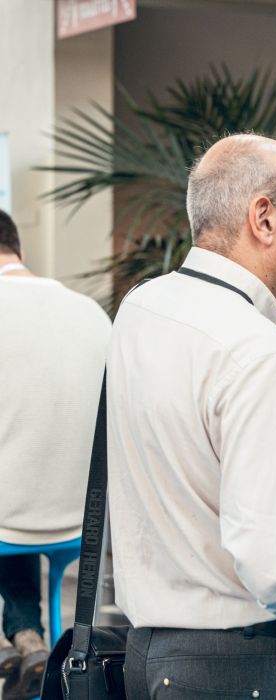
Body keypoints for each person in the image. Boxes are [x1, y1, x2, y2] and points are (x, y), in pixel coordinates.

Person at [107, 134, 276, 698]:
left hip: (148, 657)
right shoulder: (258, 351)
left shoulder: (140, 307)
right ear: (264, 218)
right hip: (242, 667)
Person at [0, 210, 110, 699]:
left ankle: (15, 638)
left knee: (11, 497)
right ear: (19, 251)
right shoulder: (89, 312)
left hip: (10, 516)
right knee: (15, 486)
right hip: (81, 519)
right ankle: (27, 637)